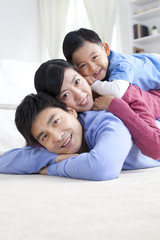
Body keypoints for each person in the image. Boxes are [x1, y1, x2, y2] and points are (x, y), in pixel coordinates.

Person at [2, 91, 160, 181]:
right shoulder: (50, 147)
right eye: (44, 137)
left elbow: (102, 167)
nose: (57, 137)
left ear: (71, 112)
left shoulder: (106, 121)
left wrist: (51, 168)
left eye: (56, 121)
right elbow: (3, 162)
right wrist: (52, 157)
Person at [34, 59, 160, 160]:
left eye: (77, 81)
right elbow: (28, 153)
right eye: (65, 95)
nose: (79, 94)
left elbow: (156, 148)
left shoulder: (123, 93)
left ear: (83, 76)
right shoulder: (73, 121)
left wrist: (116, 105)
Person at [62, 28, 160, 97]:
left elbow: (117, 91)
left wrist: (94, 84)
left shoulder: (121, 64)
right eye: (83, 65)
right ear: (76, 69)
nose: (92, 67)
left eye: (95, 57)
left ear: (105, 49)